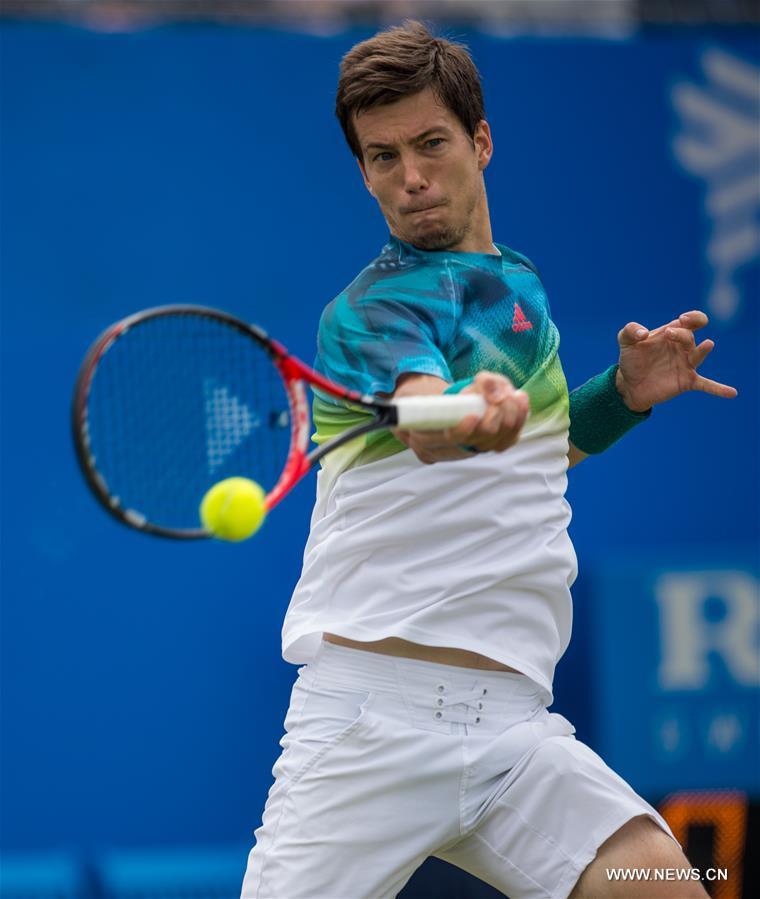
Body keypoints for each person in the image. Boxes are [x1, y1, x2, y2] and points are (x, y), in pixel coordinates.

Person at [241, 21, 737, 899]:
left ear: (481, 141)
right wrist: (470, 413)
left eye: (430, 144)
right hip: (370, 729)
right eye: (382, 157)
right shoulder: (369, 311)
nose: (411, 177)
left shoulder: (519, 288)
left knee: (670, 886)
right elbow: (426, 415)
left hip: (514, 731)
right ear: (363, 171)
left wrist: (622, 394)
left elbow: (542, 454)